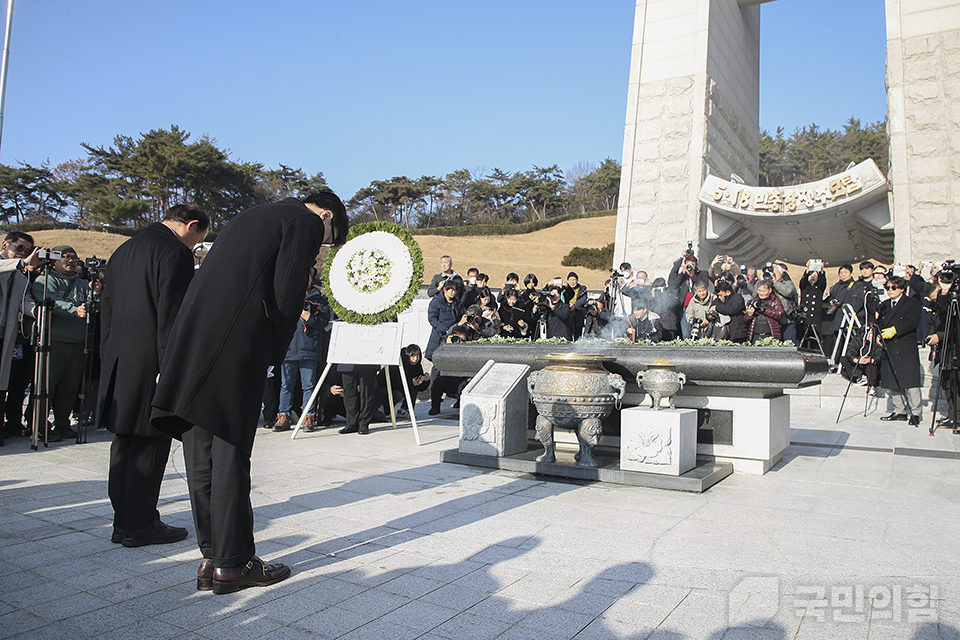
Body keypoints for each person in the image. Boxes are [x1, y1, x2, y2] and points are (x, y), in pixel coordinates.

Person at [151, 191, 348, 595]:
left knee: (201, 452)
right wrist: (273, 355)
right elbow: (287, 292)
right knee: (229, 453)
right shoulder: (303, 221)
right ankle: (235, 563)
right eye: (328, 239)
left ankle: (214, 556)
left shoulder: (253, 213)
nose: (322, 246)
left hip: (195, 338)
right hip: (235, 342)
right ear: (326, 216)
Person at [98, 204, 209, 547]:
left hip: (120, 361)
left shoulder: (123, 250)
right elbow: (173, 319)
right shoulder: (173, 253)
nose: (195, 247)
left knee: (125, 443)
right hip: (152, 364)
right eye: (198, 240)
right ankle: (141, 524)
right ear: (191, 225)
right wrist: (174, 368)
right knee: (149, 442)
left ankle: (123, 521)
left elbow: (107, 311)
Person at [33, 245, 101, 442]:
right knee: (47, 386)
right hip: (53, 342)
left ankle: (62, 423)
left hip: (78, 342)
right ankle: (39, 425)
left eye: (73, 257)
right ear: (54, 260)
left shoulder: (82, 283)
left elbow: (94, 307)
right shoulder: (46, 280)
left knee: (70, 387)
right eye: (64, 257)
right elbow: (49, 300)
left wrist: (95, 294)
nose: (69, 261)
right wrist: (73, 310)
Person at [274, 269, 330, 432]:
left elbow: (324, 321)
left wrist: (309, 317)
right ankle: (283, 414)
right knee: (286, 385)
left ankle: (308, 415)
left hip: (309, 348)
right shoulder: (286, 295)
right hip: (289, 347)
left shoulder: (319, 299)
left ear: (312, 279)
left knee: (308, 385)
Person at [0, 233, 41, 443]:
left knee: (2, 381)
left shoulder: (19, 274)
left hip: (6, 332)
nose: (22, 253)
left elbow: (24, 300)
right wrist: (21, 262)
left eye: (26, 251)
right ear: (5, 244)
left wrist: (39, 311)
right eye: (19, 248)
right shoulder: (11, 266)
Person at [877, 276, 922, 426]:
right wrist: (879, 334)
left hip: (905, 345)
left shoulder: (912, 303)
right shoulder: (884, 305)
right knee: (893, 379)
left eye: (893, 288)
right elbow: (880, 322)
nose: (890, 291)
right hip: (889, 345)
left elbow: (913, 321)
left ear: (902, 289)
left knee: (910, 380)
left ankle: (915, 412)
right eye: (888, 288)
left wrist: (896, 330)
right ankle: (899, 410)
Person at [426, 279, 465, 361]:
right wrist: (445, 330)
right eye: (451, 290)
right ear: (444, 290)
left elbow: (461, 315)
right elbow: (432, 318)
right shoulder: (436, 301)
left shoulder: (457, 302)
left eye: (455, 290)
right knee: (438, 362)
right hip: (439, 336)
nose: (453, 292)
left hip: (454, 335)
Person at [710, 279, 747, 343]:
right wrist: (710, 316)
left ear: (728, 292)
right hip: (721, 333)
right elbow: (711, 310)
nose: (720, 297)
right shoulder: (717, 301)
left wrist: (717, 308)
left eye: (721, 295)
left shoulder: (737, 298)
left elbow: (732, 309)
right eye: (718, 295)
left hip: (737, 333)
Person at [561, 272, 588, 339]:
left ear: (577, 280)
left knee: (577, 336)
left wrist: (575, 306)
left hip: (578, 315)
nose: (572, 282)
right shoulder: (564, 289)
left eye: (574, 280)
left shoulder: (582, 290)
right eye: (570, 280)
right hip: (567, 315)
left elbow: (583, 300)